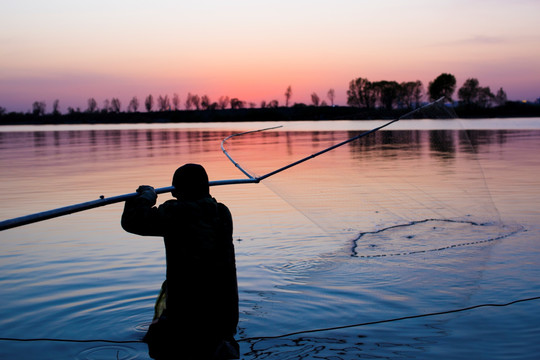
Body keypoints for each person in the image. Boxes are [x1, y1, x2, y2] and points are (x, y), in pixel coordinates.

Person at [121, 164, 239, 360]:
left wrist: (145, 198)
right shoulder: (222, 212)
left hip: (188, 311)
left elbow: (132, 221)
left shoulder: (176, 213)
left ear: (178, 189)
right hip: (223, 310)